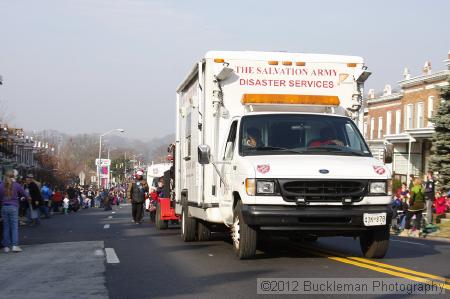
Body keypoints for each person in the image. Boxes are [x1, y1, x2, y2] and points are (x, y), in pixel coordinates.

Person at [0, 170, 30, 253]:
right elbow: (25, 194)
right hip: (13, 207)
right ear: (13, 176)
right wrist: (28, 198)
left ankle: (6, 247)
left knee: (6, 227)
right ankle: (15, 245)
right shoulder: (16, 185)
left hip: (4, 208)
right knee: (14, 227)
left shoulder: (1, 185)